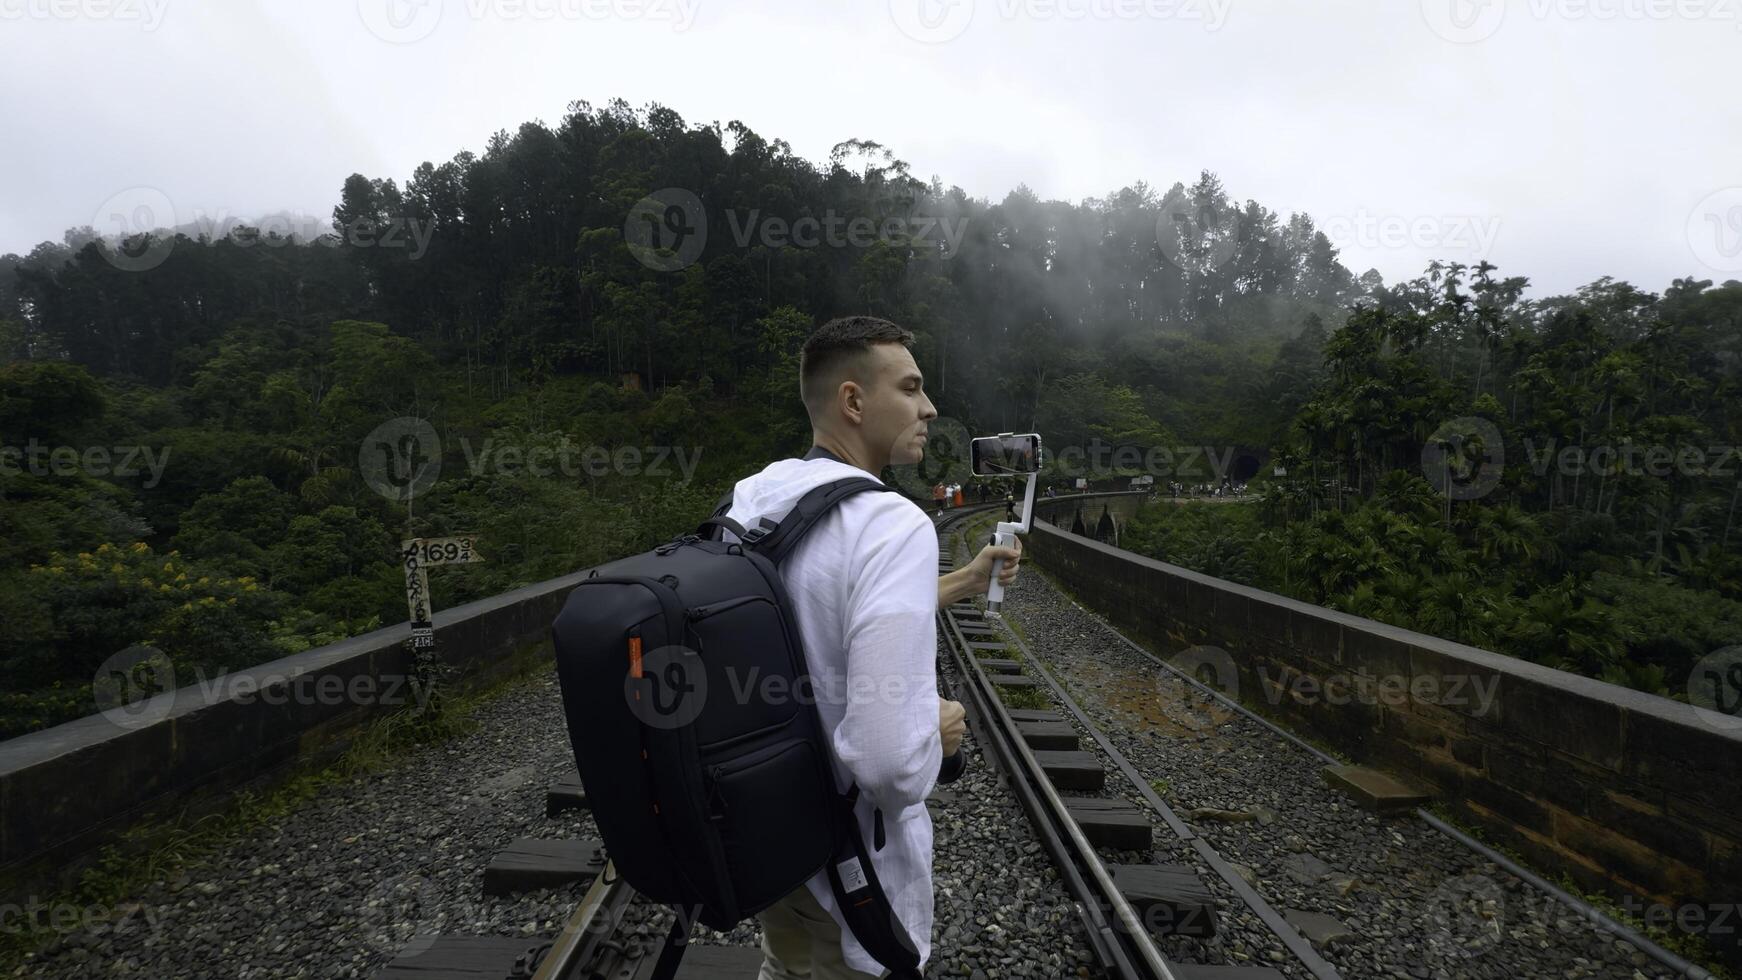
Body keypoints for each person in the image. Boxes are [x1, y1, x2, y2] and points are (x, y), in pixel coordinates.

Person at [719, 316, 1021, 980]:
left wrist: (963, 582)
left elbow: (816, 609)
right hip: (854, 869)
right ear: (854, 402)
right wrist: (933, 736)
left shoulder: (756, 497)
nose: (929, 407)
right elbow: (887, 767)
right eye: (911, 388)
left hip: (773, 842)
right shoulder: (893, 525)